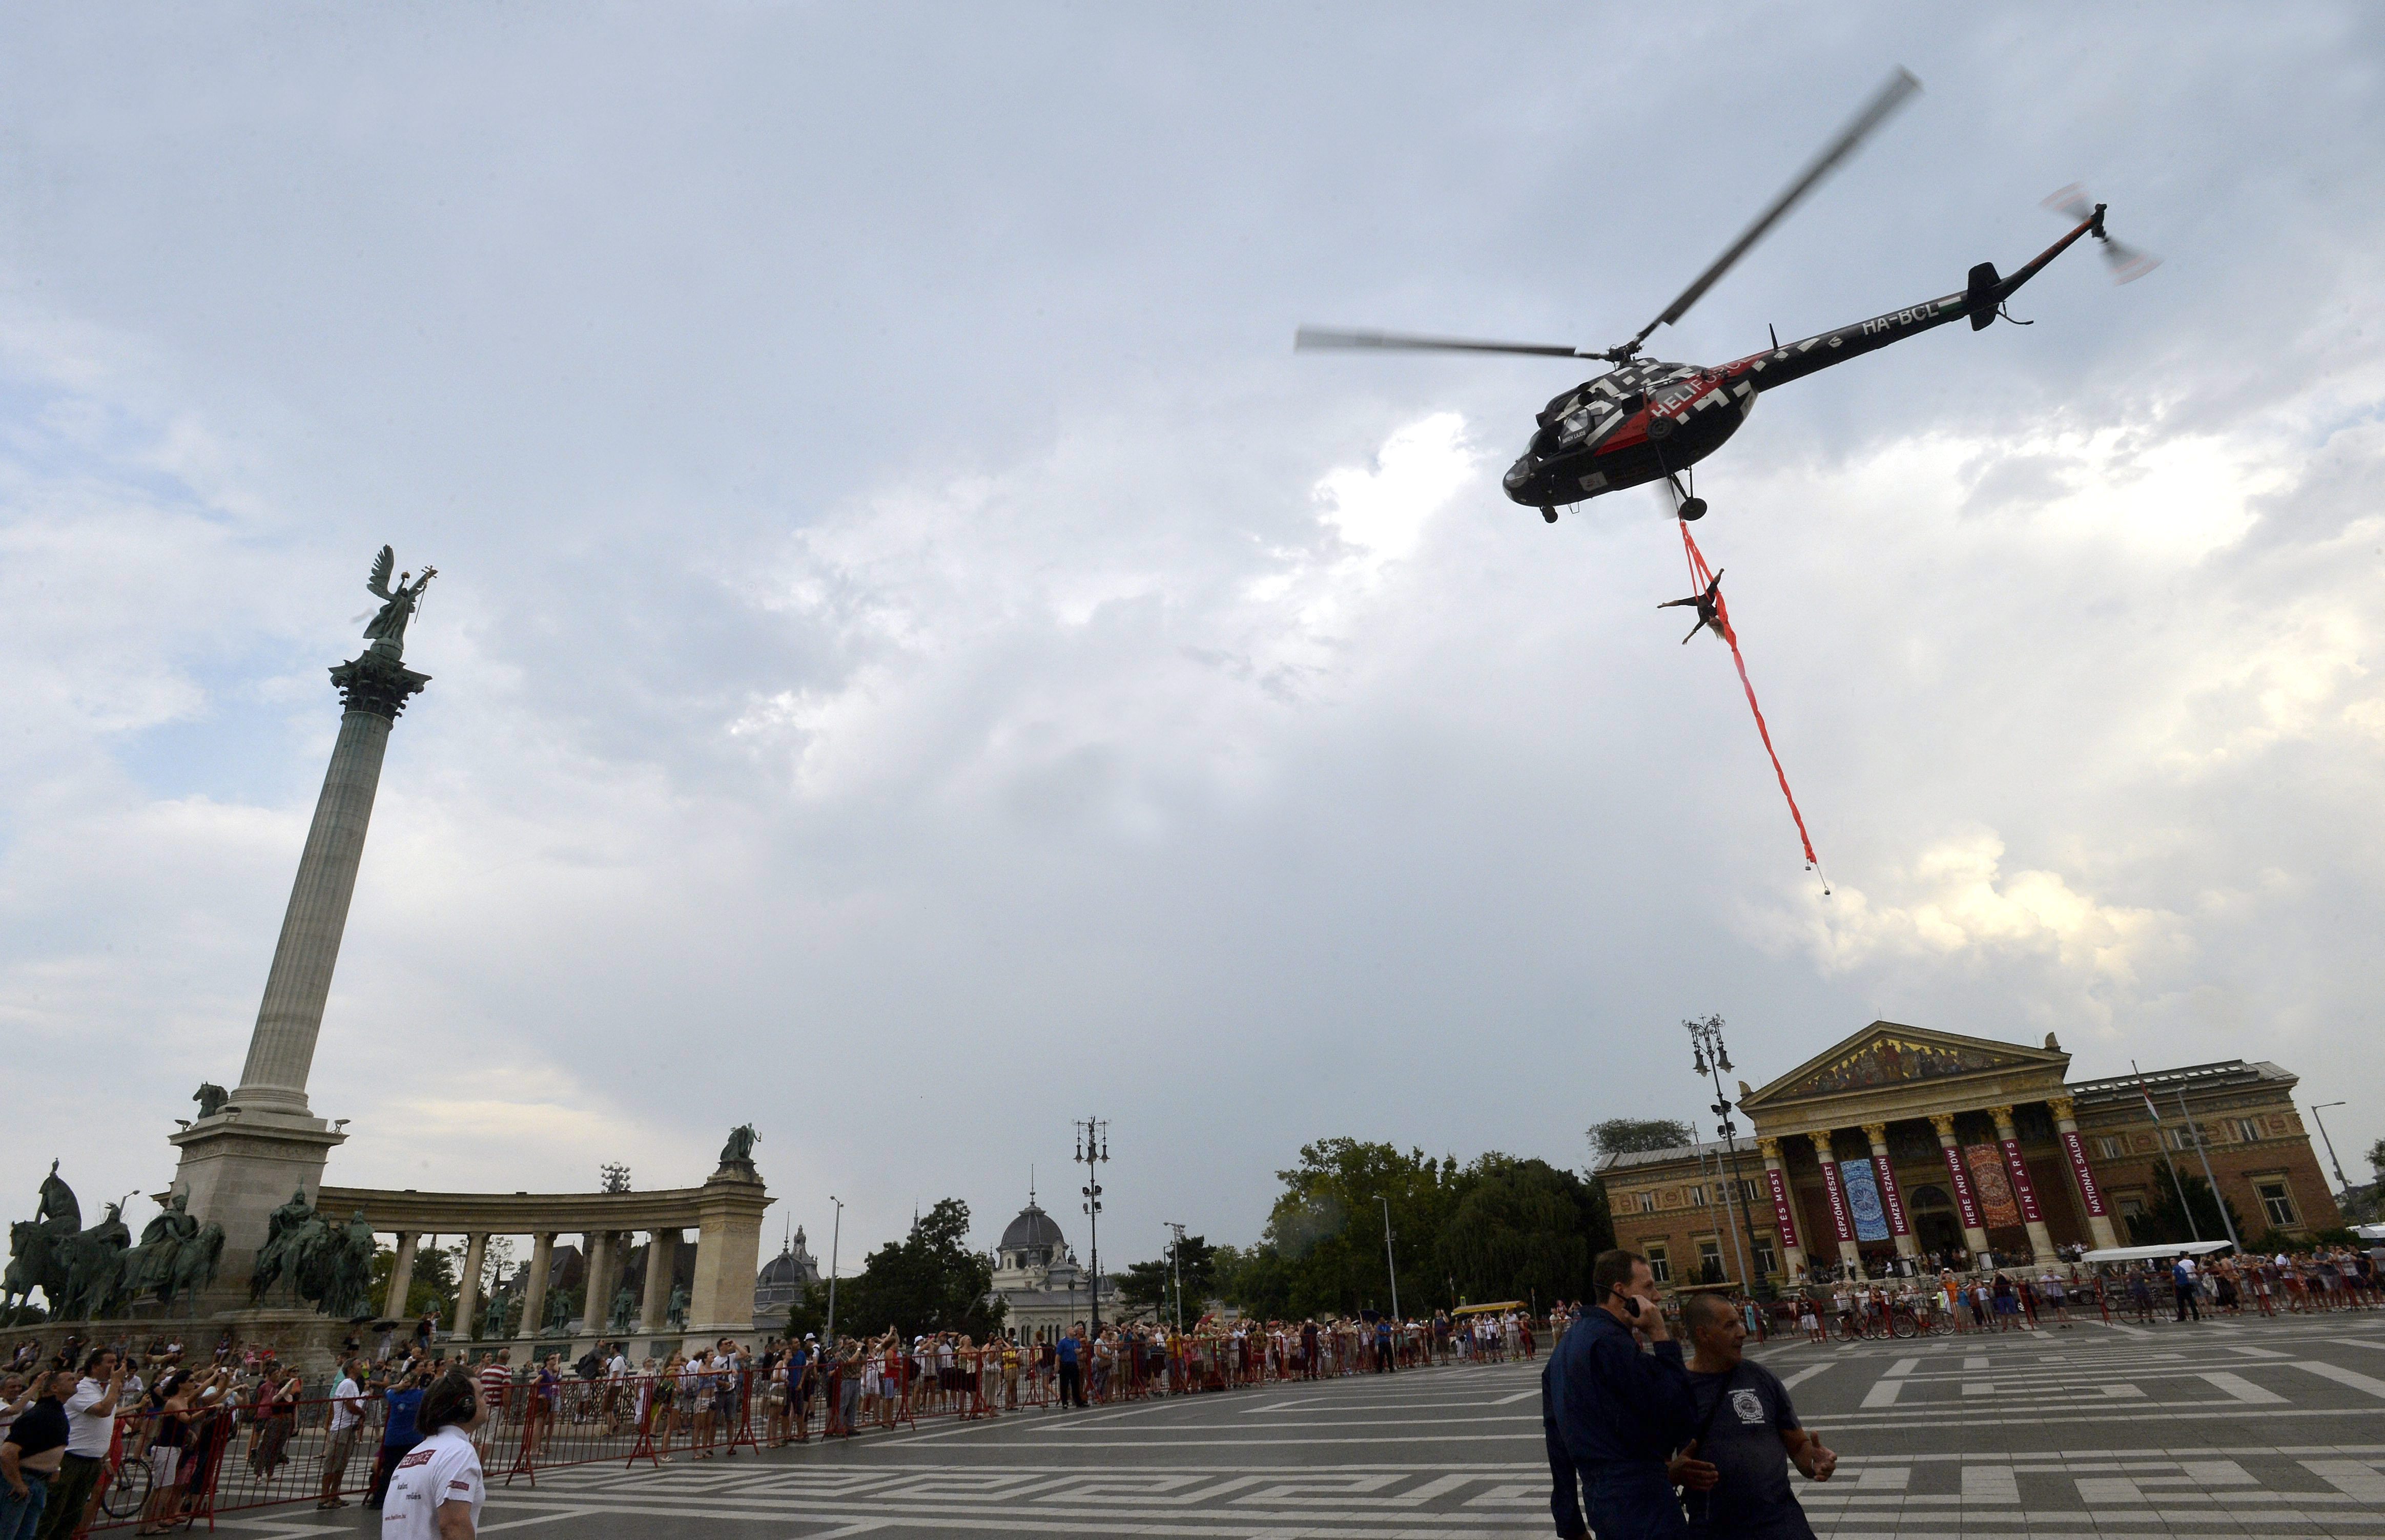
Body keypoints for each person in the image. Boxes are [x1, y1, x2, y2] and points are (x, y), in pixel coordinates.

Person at [1543, 1249, 1695, 1540]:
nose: (1657, 1297)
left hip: (1602, 1503)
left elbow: (1557, 1442)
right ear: (1621, 1291)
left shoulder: (1563, 1350)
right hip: (1643, 1504)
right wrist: (1660, 1335)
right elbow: (1679, 1410)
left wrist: (1570, 1524)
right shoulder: (1612, 1344)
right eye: (1648, 1286)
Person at [1671, 1294, 1835, 1539]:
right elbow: (1651, 1466)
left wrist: (1814, 1462)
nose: (1742, 1332)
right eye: (1730, 1326)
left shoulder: (1762, 1379)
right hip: (1714, 1529)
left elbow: (1798, 1445)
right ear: (1703, 1334)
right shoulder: (1676, 1389)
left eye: (1739, 1322)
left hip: (1781, 1524)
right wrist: (1673, 1473)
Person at [381, 1371, 483, 1540]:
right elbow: (454, 1527)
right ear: (467, 1405)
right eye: (482, 1395)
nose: (487, 1401)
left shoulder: (414, 1454)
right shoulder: (459, 1452)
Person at [33, 1349, 121, 1540]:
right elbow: (103, 1411)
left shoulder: (105, 1389)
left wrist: (105, 1458)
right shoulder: (81, 1389)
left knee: (73, 1514)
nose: (115, 1366)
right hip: (72, 1459)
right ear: (95, 1366)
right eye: (110, 1362)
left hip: (92, 1460)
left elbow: (102, 1426)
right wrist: (116, 1383)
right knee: (53, 1510)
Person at [1, 1368, 70, 1540]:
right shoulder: (7, 1405)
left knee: (27, 1533)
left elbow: (39, 1407)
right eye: (12, 1387)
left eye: (20, 1386)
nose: (17, 1390)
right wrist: (36, 1385)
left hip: (38, 1479)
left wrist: (55, 1467)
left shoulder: (42, 1409)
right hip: (15, 1471)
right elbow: (15, 1410)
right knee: (7, 1530)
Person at [367, 1371, 425, 1510]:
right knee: (412, 1470)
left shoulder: (394, 1396)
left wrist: (397, 1386)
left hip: (394, 1437)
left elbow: (387, 1390)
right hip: (413, 1438)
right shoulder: (421, 1395)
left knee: (389, 1469)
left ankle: (380, 1499)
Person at [318, 1356, 365, 1508]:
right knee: (333, 1463)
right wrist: (363, 1414)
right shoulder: (347, 1384)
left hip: (349, 1427)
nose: (362, 1366)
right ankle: (324, 1498)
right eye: (359, 1364)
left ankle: (334, 1494)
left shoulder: (353, 1384)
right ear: (350, 1368)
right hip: (341, 1428)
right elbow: (350, 1406)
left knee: (342, 1464)